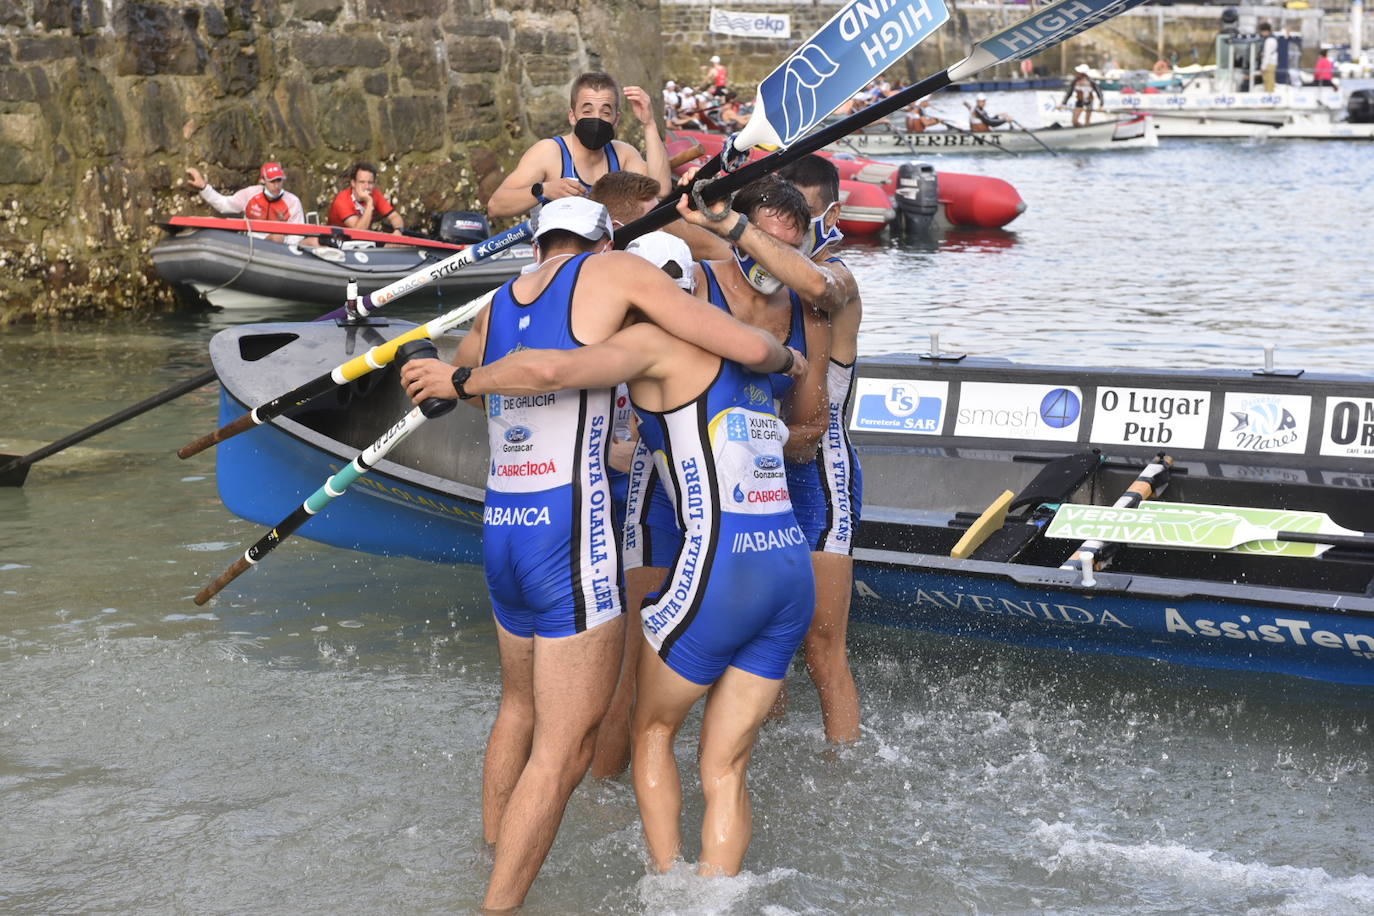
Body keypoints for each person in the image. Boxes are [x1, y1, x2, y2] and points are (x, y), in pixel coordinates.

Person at [397, 196, 805, 909]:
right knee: (567, 751)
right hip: (570, 532)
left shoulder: (495, 304)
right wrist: (787, 355)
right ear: (605, 239)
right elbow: (746, 348)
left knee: (518, 709)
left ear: (535, 244)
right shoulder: (615, 271)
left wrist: (453, 375)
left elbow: (458, 389)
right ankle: (497, 903)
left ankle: (494, 847)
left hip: (504, 525)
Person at [775, 154, 864, 744]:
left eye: (808, 220)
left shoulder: (839, 280)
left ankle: (844, 774)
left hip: (822, 472)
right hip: (765, 470)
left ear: (831, 215)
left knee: (821, 646)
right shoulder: (754, 282)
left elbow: (816, 288)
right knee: (765, 638)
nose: (797, 236)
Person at [486, 72, 671, 219]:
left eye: (605, 112)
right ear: (572, 116)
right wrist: (544, 190)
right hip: (563, 256)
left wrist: (649, 124)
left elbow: (661, 190)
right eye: (587, 111)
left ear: (616, 119)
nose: (596, 119)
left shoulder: (623, 154)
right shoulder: (548, 152)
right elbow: (496, 206)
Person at [183, 161, 314, 246]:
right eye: (272, 181)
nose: (276, 185)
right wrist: (203, 187)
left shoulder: (293, 202)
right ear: (263, 181)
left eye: (279, 180)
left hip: (279, 248)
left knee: (279, 237)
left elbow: (296, 235)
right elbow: (224, 205)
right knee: (276, 237)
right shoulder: (250, 194)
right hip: (250, 244)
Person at [325, 162, 404, 234]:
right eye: (362, 182)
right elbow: (358, 231)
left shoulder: (375, 194)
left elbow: (394, 216)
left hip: (365, 243)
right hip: (338, 241)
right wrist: (369, 203)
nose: (366, 187)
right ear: (353, 183)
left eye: (370, 183)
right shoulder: (342, 200)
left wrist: (398, 230)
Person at [1259, 23, 1279, 93]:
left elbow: (1267, 55)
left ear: (1266, 31)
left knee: (1269, 83)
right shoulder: (1272, 39)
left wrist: (1263, 66)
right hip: (1271, 63)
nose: (1261, 33)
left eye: (1262, 31)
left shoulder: (1269, 40)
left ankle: (1269, 100)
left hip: (1269, 64)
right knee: (1269, 82)